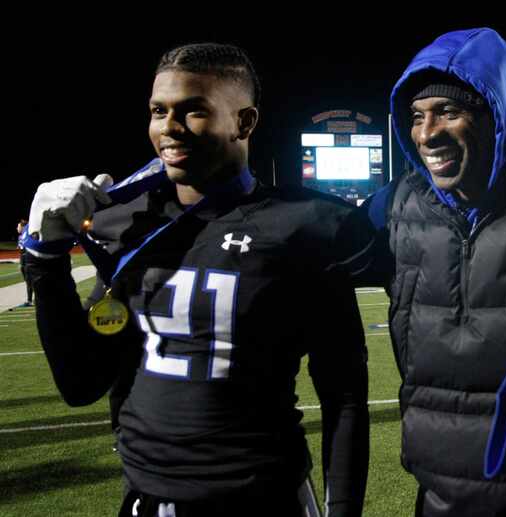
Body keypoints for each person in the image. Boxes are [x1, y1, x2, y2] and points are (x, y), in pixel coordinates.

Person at [24, 43, 369, 517]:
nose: (169, 127)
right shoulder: (131, 226)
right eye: (158, 110)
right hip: (148, 500)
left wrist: (343, 508)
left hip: (263, 498)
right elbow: (81, 382)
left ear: (244, 123)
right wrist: (45, 260)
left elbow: (344, 394)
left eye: (194, 111)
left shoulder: (303, 225)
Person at [359, 27, 506, 517]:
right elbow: (292, 242)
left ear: (497, 118)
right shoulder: (398, 206)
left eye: (449, 112)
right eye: (415, 117)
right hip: (435, 497)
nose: (427, 133)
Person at [16, 219, 34, 306]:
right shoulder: (20, 237)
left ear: (23, 227)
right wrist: (20, 263)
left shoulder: (28, 236)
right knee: (28, 282)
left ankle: (30, 300)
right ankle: (30, 299)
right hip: (23, 262)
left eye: (18, 226)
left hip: (28, 261)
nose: (17, 228)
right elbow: (21, 251)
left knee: (30, 281)